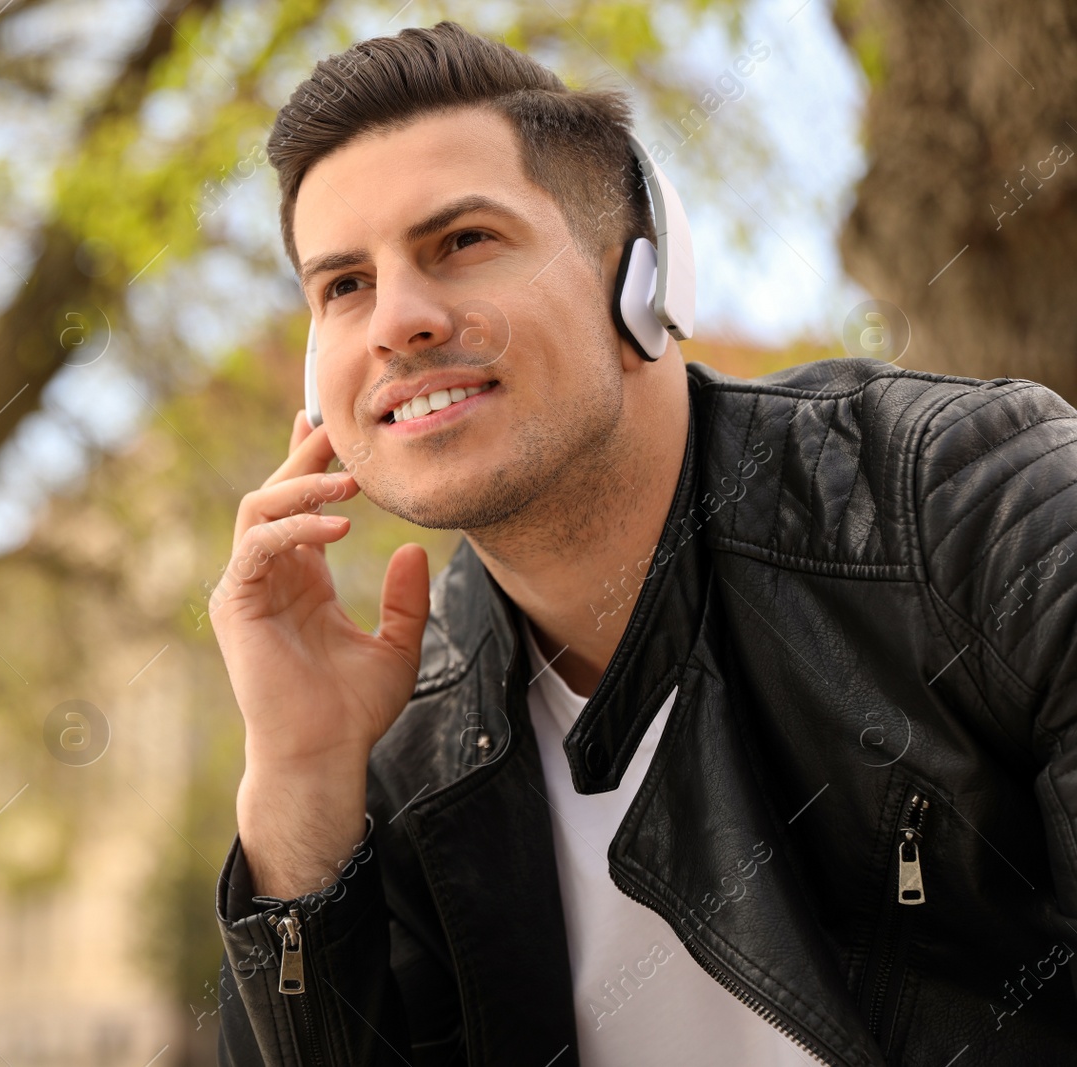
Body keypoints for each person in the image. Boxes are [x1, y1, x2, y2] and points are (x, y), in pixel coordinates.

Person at [205, 19, 1077, 1067]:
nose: (397, 320)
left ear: (645, 283)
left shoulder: (967, 505)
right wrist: (300, 785)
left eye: (463, 242)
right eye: (342, 285)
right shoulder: (397, 745)